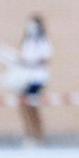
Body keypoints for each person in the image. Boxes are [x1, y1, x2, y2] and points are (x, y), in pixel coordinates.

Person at [18, 15, 51, 143]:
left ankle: (38, 134)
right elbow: (24, 57)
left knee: (32, 105)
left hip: (37, 78)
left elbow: (45, 58)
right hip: (27, 77)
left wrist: (30, 62)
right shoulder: (27, 41)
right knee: (25, 106)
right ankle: (30, 133)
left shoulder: (42, 41)